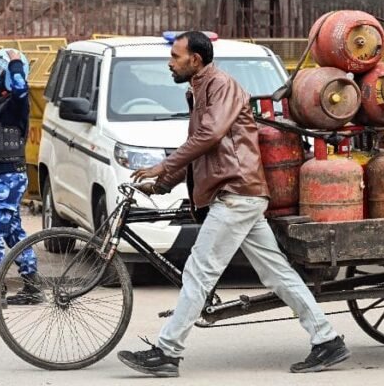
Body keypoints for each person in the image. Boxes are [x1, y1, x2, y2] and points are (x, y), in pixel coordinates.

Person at [117, 31, 350, 377]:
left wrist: (163, 166)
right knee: (276, 273)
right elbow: (201, 148)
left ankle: (167, 352)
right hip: (239, 194)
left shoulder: (221, 86)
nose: (170, 62)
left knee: (199, 271)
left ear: (195, 59)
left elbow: (208, 136)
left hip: (235, 193)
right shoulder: (199, 90)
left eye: (176, 56)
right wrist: (163, 183)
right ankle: (327, 339)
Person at [0, 49, 43, 311]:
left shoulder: (15, 105)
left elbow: (21, 88)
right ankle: (32, 285)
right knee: (12, 231)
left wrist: (15, 63)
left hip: (7, 177)